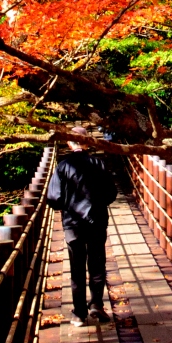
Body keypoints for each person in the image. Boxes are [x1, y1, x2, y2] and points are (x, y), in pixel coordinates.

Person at [45, 126, 117, 326]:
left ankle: (78, 313)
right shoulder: (98, 164)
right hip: (96, 222)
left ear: (69, 143)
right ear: (87, 142)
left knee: (76, 268)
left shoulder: (63, 166)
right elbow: (111, 194)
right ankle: (96, 305)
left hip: (72, 225)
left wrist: (67, 205)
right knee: (97, 264)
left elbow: (54, 198)